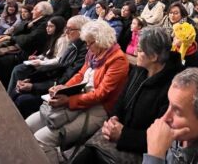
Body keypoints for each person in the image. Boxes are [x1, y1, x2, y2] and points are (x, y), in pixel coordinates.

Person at [73, 27, 183, 164]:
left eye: (140, 50)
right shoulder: (140, 70)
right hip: (115, 138)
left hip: (139, 150)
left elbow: (163, 136)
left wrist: (123, 135)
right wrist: (114, 117)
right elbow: (121, 99)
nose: (135, 52)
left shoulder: (174, 87)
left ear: (154, 56)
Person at [25, 20, 129, 162]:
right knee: (28, 124)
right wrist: (63, 88)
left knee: (42, 139)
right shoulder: (93, 53)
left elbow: (101, 94)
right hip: (80, 98)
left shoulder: (118, 60)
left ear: (101, 39)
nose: (87, 46)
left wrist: (69, 100)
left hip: (98, 108)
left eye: (89, 43)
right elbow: (80, 75)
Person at [9, 15, 89, 118]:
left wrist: (34, 86)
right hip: (54, 81)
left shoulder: (82, 50)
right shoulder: (73, 45)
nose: (66, 32)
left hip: (60, 89)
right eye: (66, 28)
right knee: (17, 89)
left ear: (82, 31)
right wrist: (31, 80)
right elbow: (57, 66)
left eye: (70, 29)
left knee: (22, 99)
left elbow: (66, 77)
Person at [0, 1, 53, 88]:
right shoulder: (34, 21)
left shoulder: (44, 23)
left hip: (28, 53)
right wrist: (27, 26)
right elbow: (16, 31)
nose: (32, 11)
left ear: (43, 12)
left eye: (35, 9)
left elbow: (29, 39)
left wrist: (11, 38)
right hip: (21, 48)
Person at [7, 16, 66, 96]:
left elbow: (59, 60)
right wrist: (38, 57)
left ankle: (11, 94)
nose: (47, 28)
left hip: (50, 67)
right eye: (47, 26)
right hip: (44, 63)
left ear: (58, 27)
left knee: (18, 70)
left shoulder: (62, 40)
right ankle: (13, 92)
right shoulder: (53, 36)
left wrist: (41, 62)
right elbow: (48, 53)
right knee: (18, 68)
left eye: (51, 26)